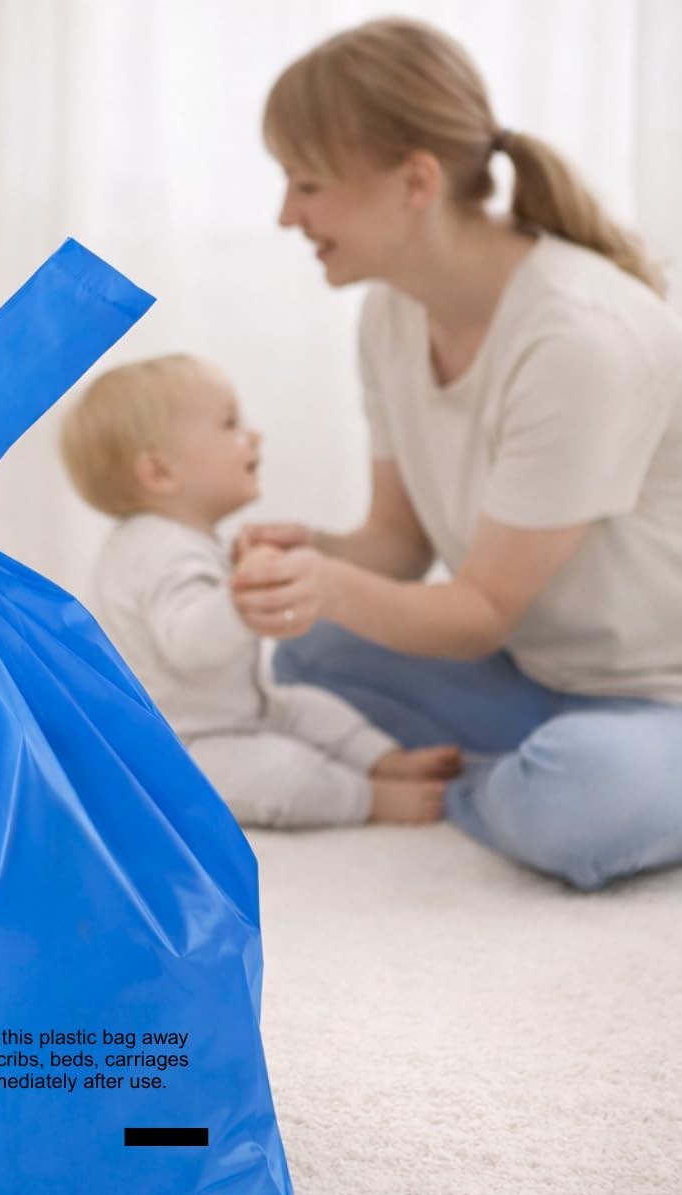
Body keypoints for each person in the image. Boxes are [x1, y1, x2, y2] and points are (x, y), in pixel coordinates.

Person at [233, 17, 682, 890]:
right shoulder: (392, 312)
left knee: (573, 800)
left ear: (415, 181)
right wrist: (311, 556)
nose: (287, 215)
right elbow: (398, 545)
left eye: (307, 184)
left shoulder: (575, 337)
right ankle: (528, 771)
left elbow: (479, 610)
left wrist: (328, 584)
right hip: (532, 672)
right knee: (308, 649)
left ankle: (530, 784)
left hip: (659, 690)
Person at [59, 352, 461, 829]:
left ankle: (387, 762)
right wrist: (239, 598)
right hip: (182, 747)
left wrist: (238, 571)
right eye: (230, 424)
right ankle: (370, 798)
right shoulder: (158, 549)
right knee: (285, 773)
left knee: (312, 707)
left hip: (240, 710)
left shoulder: (178, 540)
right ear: (160, 473)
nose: (253, 436)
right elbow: (187, 641)